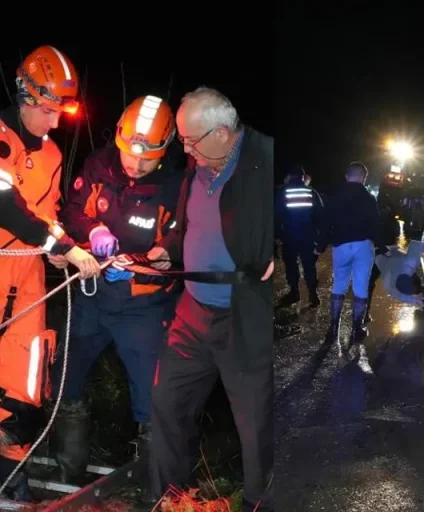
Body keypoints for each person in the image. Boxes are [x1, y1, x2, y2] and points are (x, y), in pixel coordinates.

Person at [143, 87, 274, 512]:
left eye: (188, 139)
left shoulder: (264, 161)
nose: (183, 148)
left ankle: (258, 501)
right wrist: (168, 249)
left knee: (255, 422)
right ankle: (169, 496)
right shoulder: (196, 168)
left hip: (243, 315)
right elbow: (189, 227)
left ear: (221, 132)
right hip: (192, 312)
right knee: (167, 402)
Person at [50, 95, 185, 485]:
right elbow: (73, 208)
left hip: (143, 305)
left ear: (164, 152)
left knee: (151, 393)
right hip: (91, 296)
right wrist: (93, 229)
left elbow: (187, 230)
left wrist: (165, 251)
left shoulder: (175, 184)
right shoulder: (99, 164)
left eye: (147, 159)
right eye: (131, 154)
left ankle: (153, 483)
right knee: (65, 378)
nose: (136, 164)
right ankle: (66, 474)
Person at [0, 45, 101, 501]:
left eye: (61, 111)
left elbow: (46, 212)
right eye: (47, 110)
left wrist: (64, 247)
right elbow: (7, 206)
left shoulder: (53, 153)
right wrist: (59, 245)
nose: (55, 121)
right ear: (25, 96)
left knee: (26, 373)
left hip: (29, 276)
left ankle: (8, 463)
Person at [316, 162, 385, 346]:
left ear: (346, 176)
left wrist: (320, 246)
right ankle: (357, 328)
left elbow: (325, 223)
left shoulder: (335, 196)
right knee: (361, 286)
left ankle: (333, 327)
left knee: (339, 284)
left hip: (341, 246)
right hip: (364, 246)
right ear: (364, 177)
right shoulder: (369, 198)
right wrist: (381, 246)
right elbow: (376, 224)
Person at [275, 164, 323, 307]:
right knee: (309, 266)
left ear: (290, 176)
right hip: (308, 236)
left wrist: (276, 237)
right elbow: (320, 215)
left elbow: (277, 215)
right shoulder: (311, 192)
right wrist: (320, 238)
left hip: (289, 236)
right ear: (303, 177)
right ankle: (313, 295)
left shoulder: (283, 192)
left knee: (291, 265)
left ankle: (294, 293)